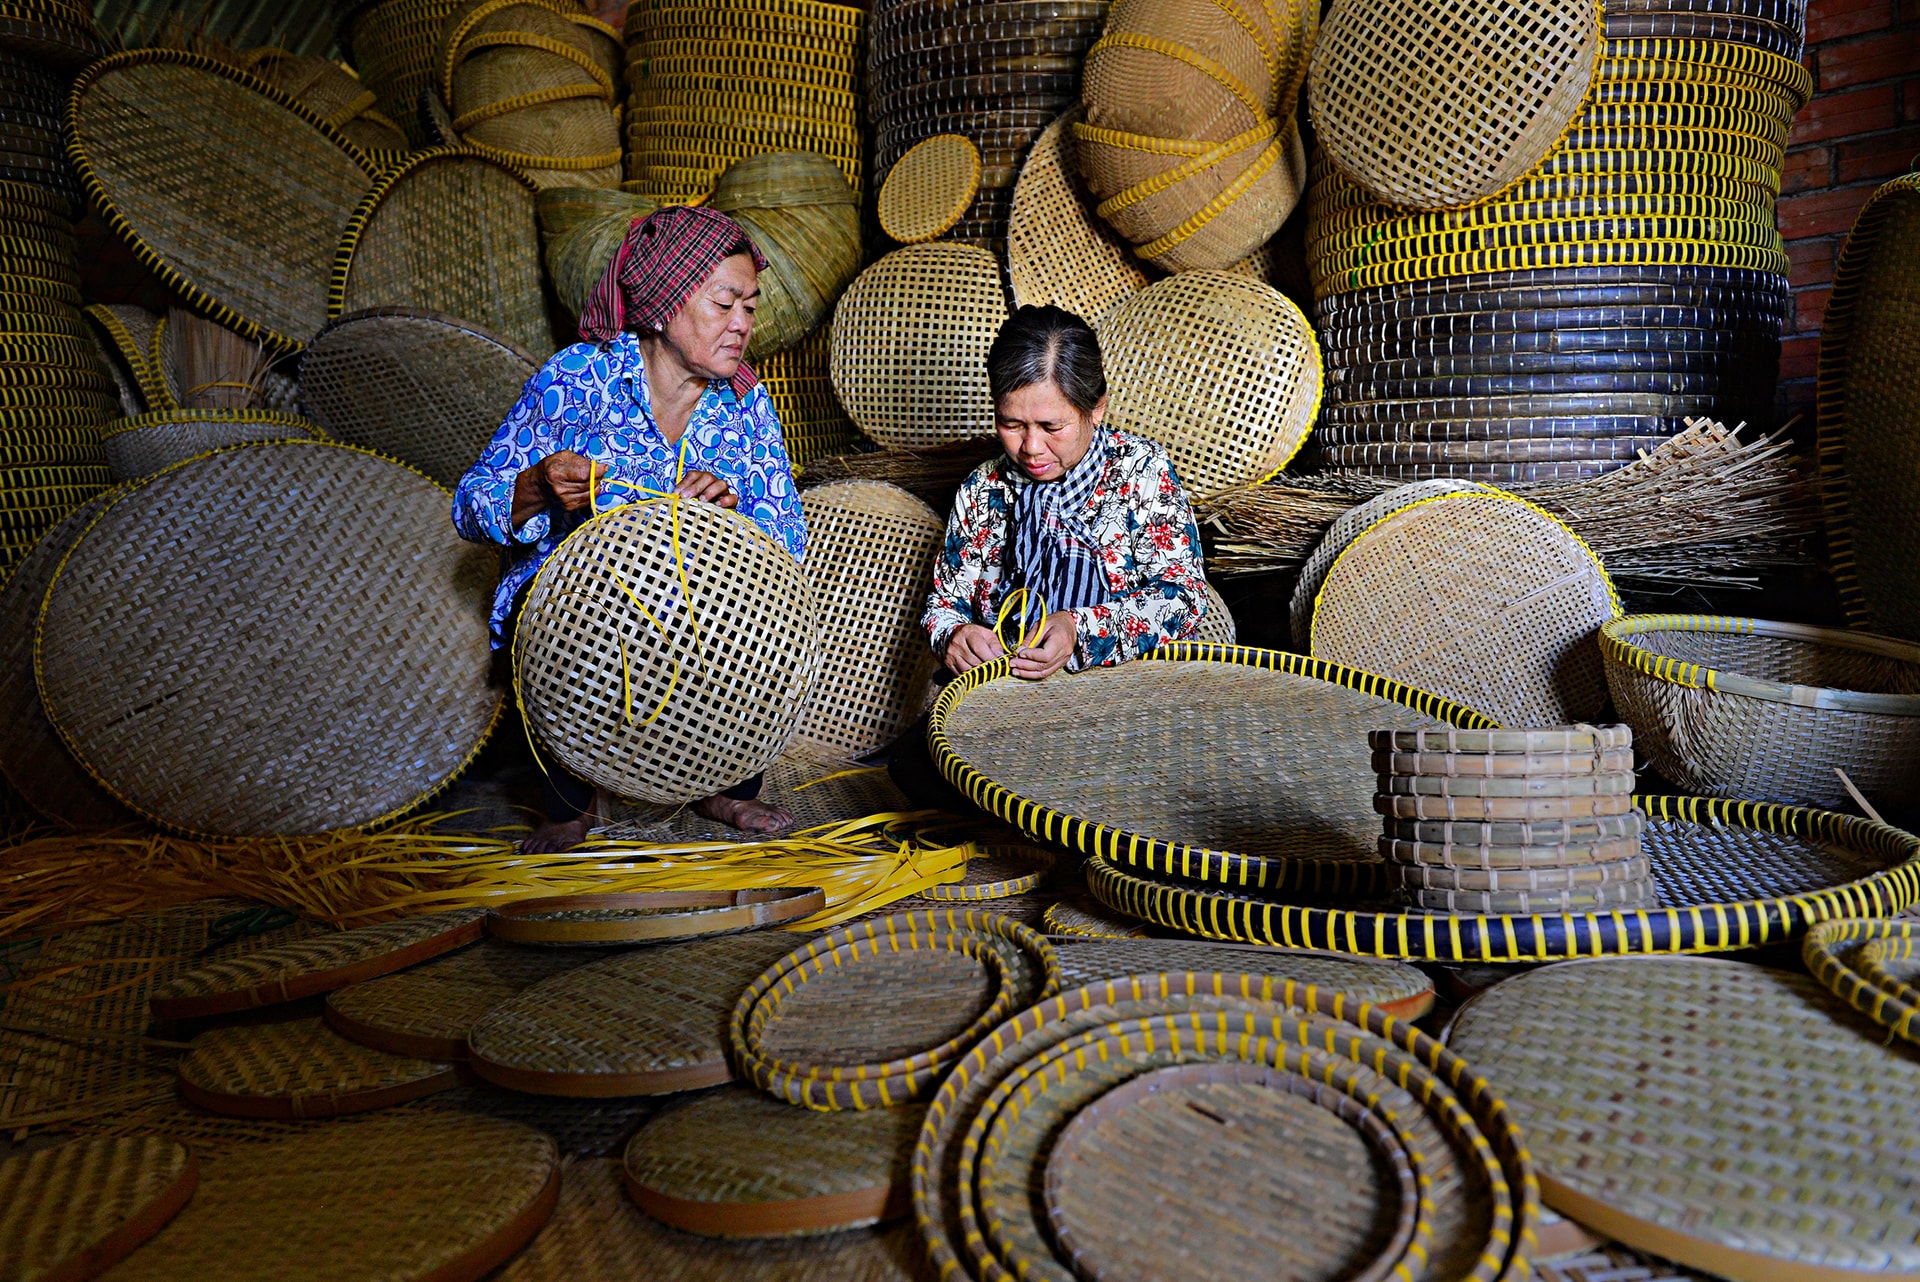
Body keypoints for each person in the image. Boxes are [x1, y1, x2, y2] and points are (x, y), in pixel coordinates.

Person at [453, 206, 806, 852]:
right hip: (586, 630)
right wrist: (534, 487)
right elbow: (470, 504)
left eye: (750, 308)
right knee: (557, 603)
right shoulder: (575, 382)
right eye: (724, 303)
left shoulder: (745, 404)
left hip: (703, 629)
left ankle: (724, 784)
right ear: (665, 304)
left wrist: (734, 522)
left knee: (764, 612)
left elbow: (788, 538)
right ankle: (573, 794)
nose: (742, 325)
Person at [890, 304, 1210, 804]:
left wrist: (1077, 629)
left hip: (1118, 700)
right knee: (913, 770)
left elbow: (1183, 598)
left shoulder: (1139, 473)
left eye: (1051, 426)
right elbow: (944, 604)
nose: (1031, 447)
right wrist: (955, 636)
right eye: (1011, 424)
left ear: (1096, 409)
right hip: (1011, 703)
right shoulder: (985, 487)